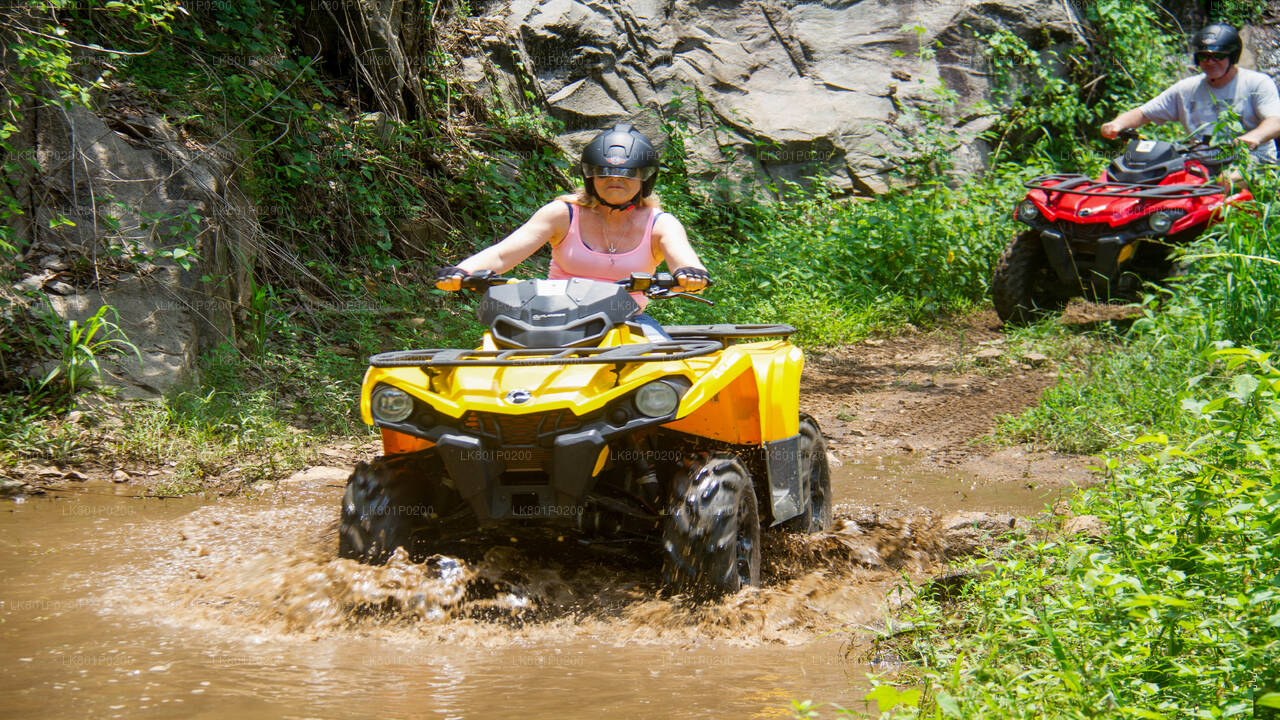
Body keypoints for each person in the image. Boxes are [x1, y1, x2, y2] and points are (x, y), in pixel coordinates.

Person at [433, 123, 709, 340]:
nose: (614, 178)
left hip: (628, 322)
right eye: (603, 171)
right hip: (550, 320)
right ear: (590, 177)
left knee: (666, 369)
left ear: (644, 179)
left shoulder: (660, 223)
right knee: (495, 365)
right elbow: (503, 254)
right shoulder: (562, 214)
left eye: (627, 173)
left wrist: (690, 274)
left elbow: (683, 258)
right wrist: (462, 271)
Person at [1100, 23, 1280, 163]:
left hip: (1250, 160)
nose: (1210, 62)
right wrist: (1116, 124)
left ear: (1232, 57)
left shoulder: (1257, 83)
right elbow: (1144, 113)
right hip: (1199, 163)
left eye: (1217, 56)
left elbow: (1275, 121)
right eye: (1203, 56)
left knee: (1227, 181)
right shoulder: (1186, 88)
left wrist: (1253, 137)